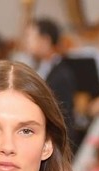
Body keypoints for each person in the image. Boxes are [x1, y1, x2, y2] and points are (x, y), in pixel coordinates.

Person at [23, 18, 77, 147]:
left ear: (45, 40)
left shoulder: (61, 74)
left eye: (30, 37)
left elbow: (63, 116)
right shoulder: (42, 68)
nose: (26, 43)